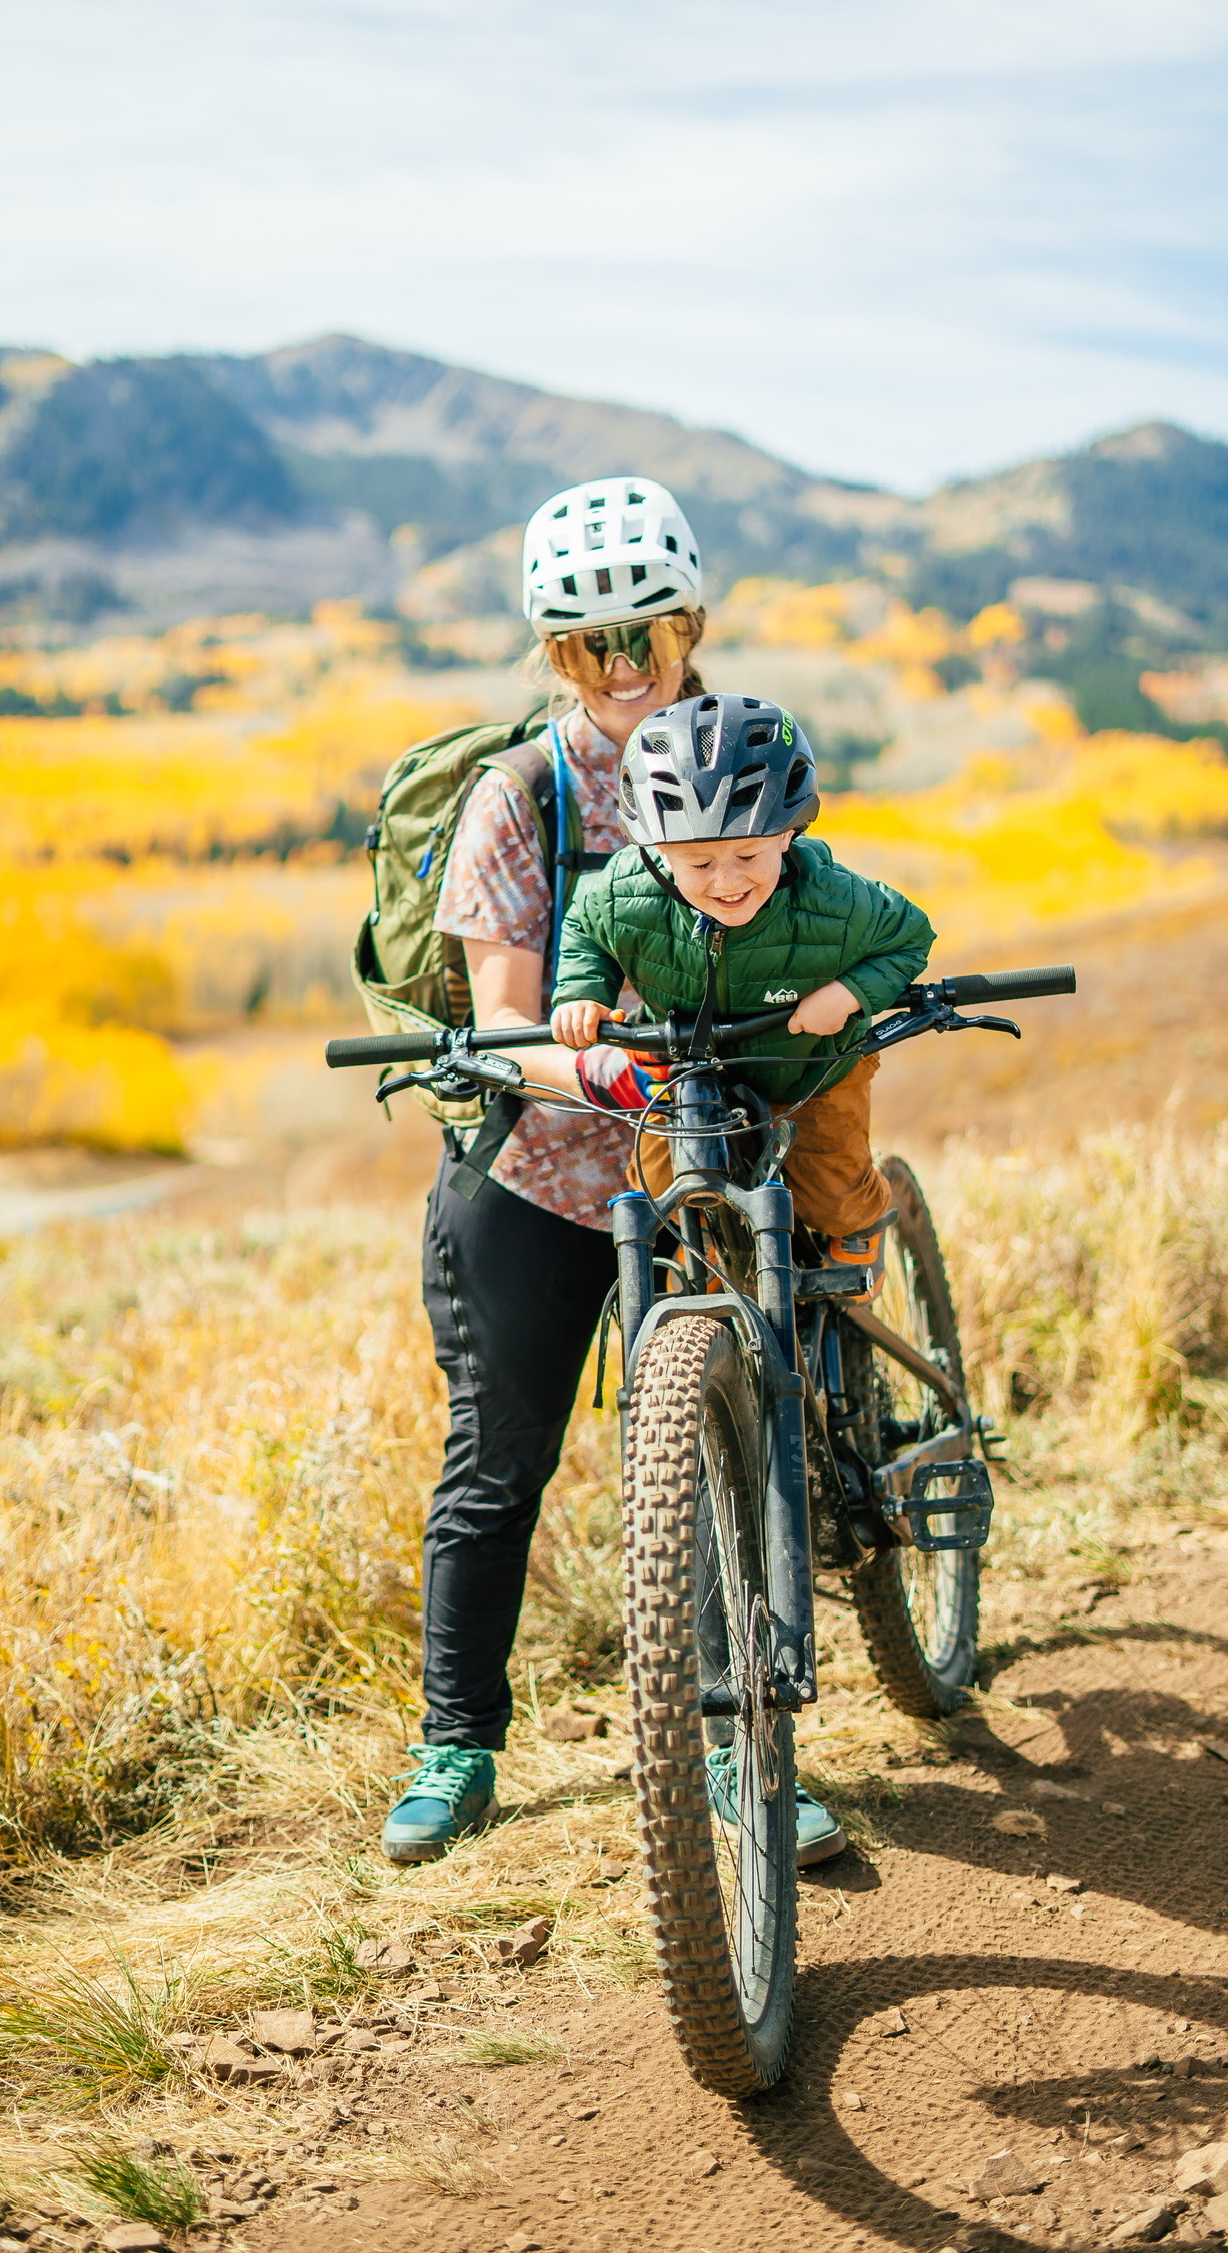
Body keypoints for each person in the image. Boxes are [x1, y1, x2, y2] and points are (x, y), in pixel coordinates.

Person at [379, 478, 848, 1870]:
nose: (624, 663)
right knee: (497, 1461)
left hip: (708, 1148)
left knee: (738, 1442)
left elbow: (801, 911)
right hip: (545, 1174)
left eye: (646, 631)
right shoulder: (518, 796)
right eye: (588, 644)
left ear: (693, 621)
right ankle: (455, 1744)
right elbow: (505, 1015)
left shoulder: (741, 745)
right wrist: (587, 1066)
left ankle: (733, 1745)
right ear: (552, 654)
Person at [549, 693, 936, 1290]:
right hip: (687, 1078)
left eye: (749, 854)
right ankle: (708, 1299)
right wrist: (584, 991)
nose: (727, 882)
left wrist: (851, 993)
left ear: (789, 833)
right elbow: (586, 931)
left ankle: (864, 1224)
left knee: (835, 1192)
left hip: (809, 1071)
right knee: (663, 1195)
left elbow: (909, 936)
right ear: (657, 851)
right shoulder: (624, 893)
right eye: (698, 864)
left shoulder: (832, 899)